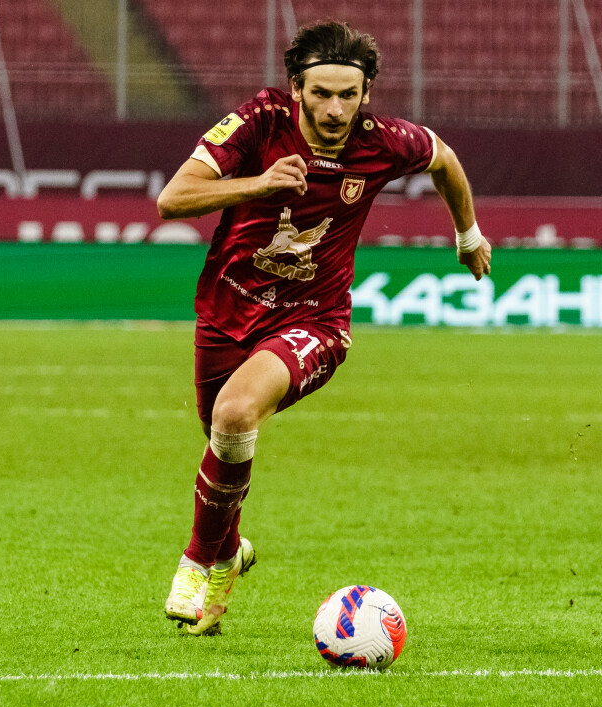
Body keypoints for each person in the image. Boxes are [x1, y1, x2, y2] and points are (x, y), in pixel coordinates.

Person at [155, 21, 491, 635]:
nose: (336, 109)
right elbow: (172, 199)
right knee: (224, 442)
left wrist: (468, 235)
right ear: (296, 89)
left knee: (235, 414)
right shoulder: (259, 122)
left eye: (348, 95)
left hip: (316, 320)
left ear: (366, 93)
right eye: (322, 94)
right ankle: (229, 552)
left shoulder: (384, 141)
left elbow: (444, 159)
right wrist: (261, 183)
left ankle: (198, 563)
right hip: (228, 311)